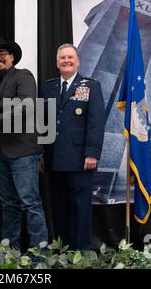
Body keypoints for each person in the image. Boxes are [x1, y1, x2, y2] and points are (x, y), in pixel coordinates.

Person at [0, 36, 48, 250]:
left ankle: (41, 254)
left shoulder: (23, 76)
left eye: (2, 54)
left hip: (23, 152)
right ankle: (10, 253)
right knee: (9, 205)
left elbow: (26, 106)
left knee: (31, 203)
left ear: (12, 58)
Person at [40, 43, 105, 250]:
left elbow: (96, 122)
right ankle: (62, 251)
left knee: (80, 208)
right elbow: (43, 123)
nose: (66, 61)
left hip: (80, 158)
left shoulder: (91, 86)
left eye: (70, 57)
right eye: (62, 58)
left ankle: (82, 252)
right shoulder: (47, 87)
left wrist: (92, 153)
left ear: (77, 61)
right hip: (53, 158)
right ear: (57, 62)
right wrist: (42, 154)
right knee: (58, 208)